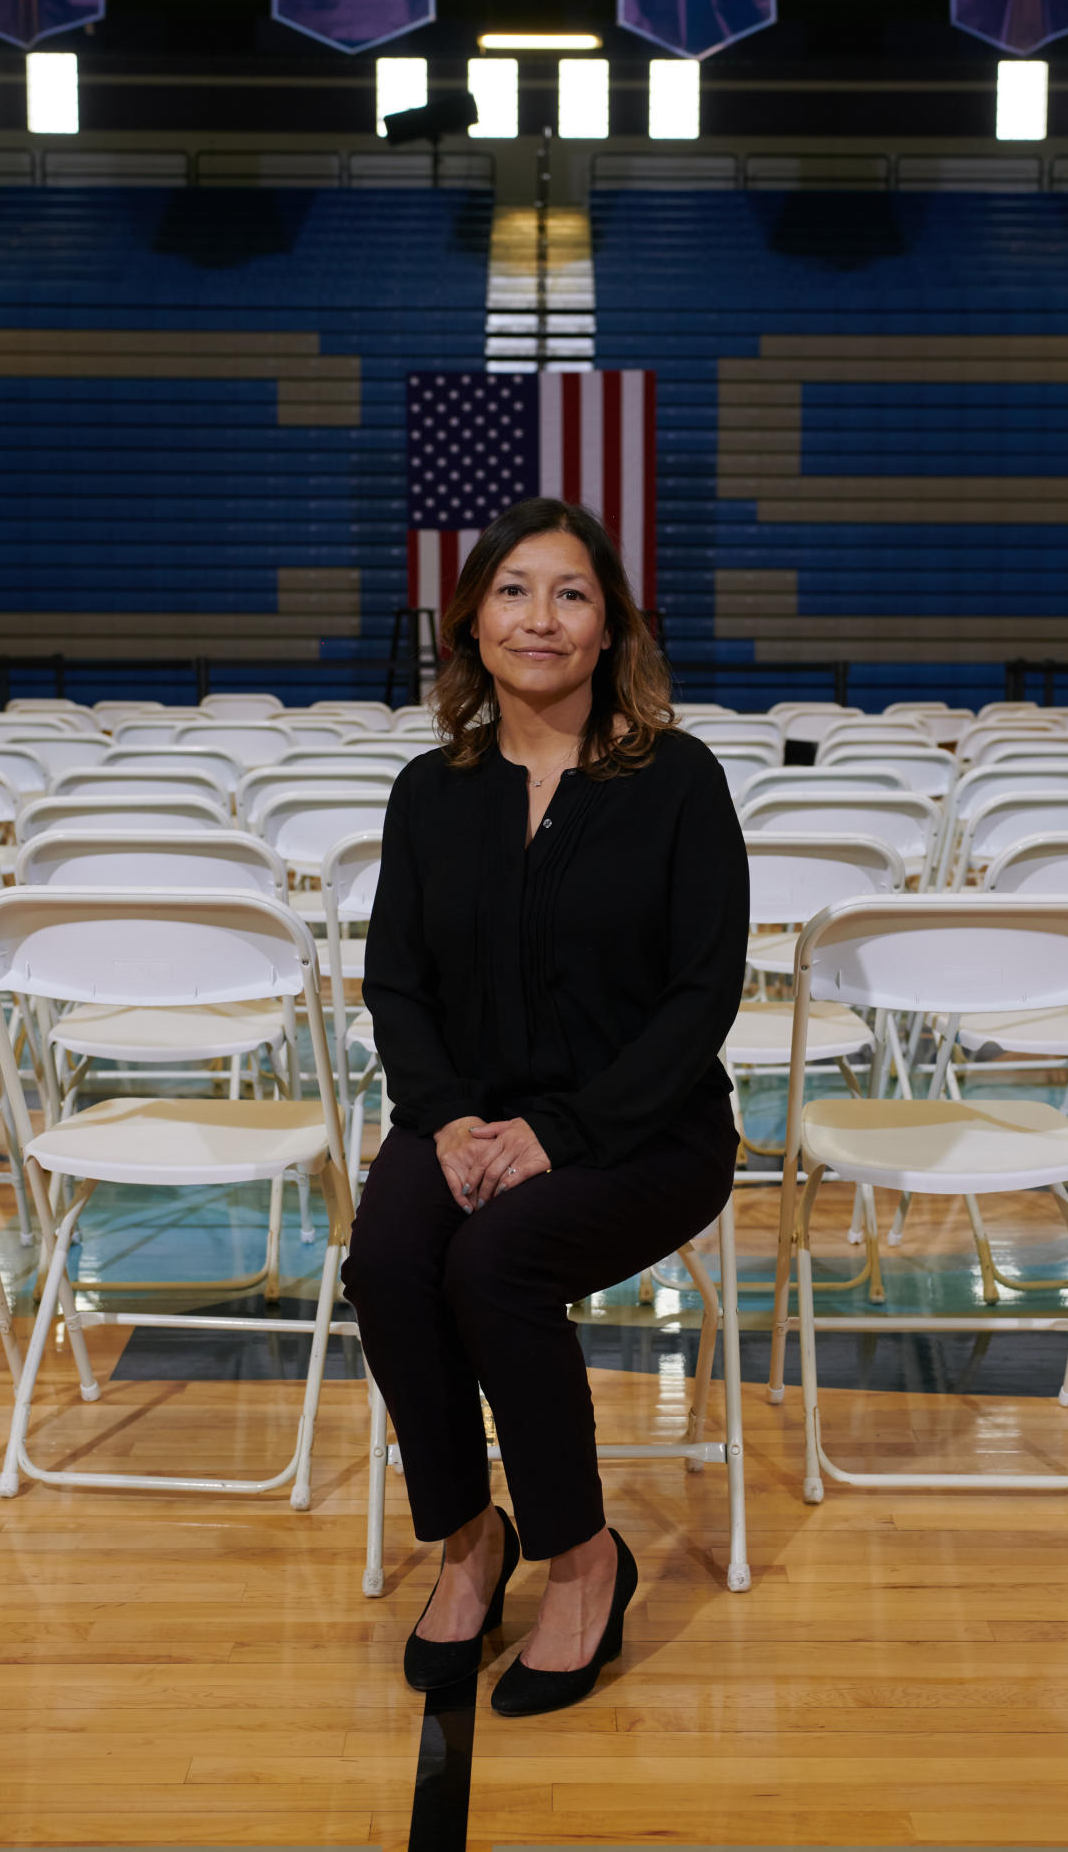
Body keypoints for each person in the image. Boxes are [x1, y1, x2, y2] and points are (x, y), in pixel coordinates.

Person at [340, 496, 749, 1717]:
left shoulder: (678, 780)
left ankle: (584, 1559)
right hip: (465, 1113)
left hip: (648, 1125)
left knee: (498, 1264)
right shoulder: (432, 789)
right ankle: (471, 1541)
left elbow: (700, 996)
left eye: (571, 593)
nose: (541, 617)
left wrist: (561, 1133)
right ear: (471, 623)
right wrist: (451, 1118)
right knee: (387, 1259)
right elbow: (397, 984)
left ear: (610, 625)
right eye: (514, 590)